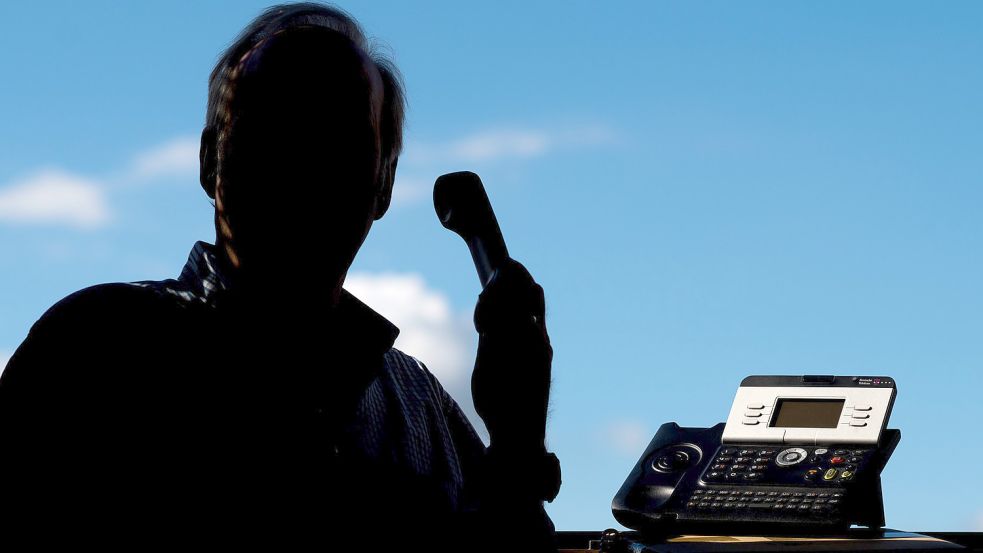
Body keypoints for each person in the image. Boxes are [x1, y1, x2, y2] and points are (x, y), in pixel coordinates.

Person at [0, 3, 559, 550]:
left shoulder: (418, 402)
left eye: (340, 135)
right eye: (271, 124)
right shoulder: (95, 345)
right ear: (209, 162)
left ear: (383, 186)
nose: (304, 159)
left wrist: (516, 441)